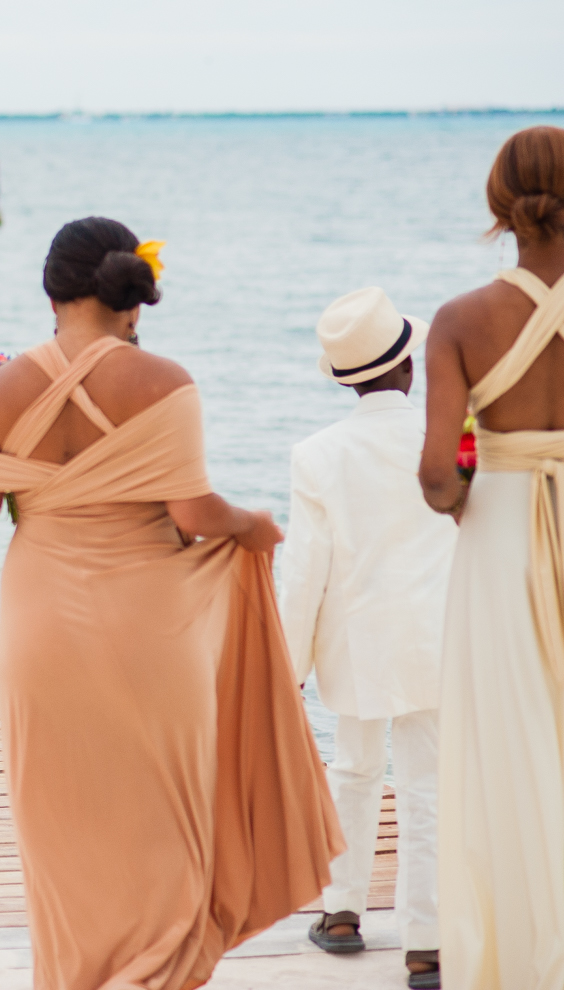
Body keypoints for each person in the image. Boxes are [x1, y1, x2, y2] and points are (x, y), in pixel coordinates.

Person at [0, 216, 341, 990]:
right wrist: (255, 527)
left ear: (51, 289)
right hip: (147, 628)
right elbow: (196, 516)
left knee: (60, 820)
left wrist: (5, 456)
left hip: (41, 629)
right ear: (133, 296)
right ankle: (156, 970)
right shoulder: (164, 381)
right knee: (164, 810)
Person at [418, 125, 564, 990]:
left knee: (508, 746)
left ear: (498, 202)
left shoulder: (461, 319)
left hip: (503, 535)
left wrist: (478, 487)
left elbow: (438, 476)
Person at [284, 287, 453, 988]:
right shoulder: (452, 434)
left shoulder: (317, 454)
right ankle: (427, 943)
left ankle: (344, 912)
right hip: (437, 638)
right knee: (426, 788)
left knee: (353, 771)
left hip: (355, 644)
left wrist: (289, 663)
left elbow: (306, 571)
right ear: (410, 366)